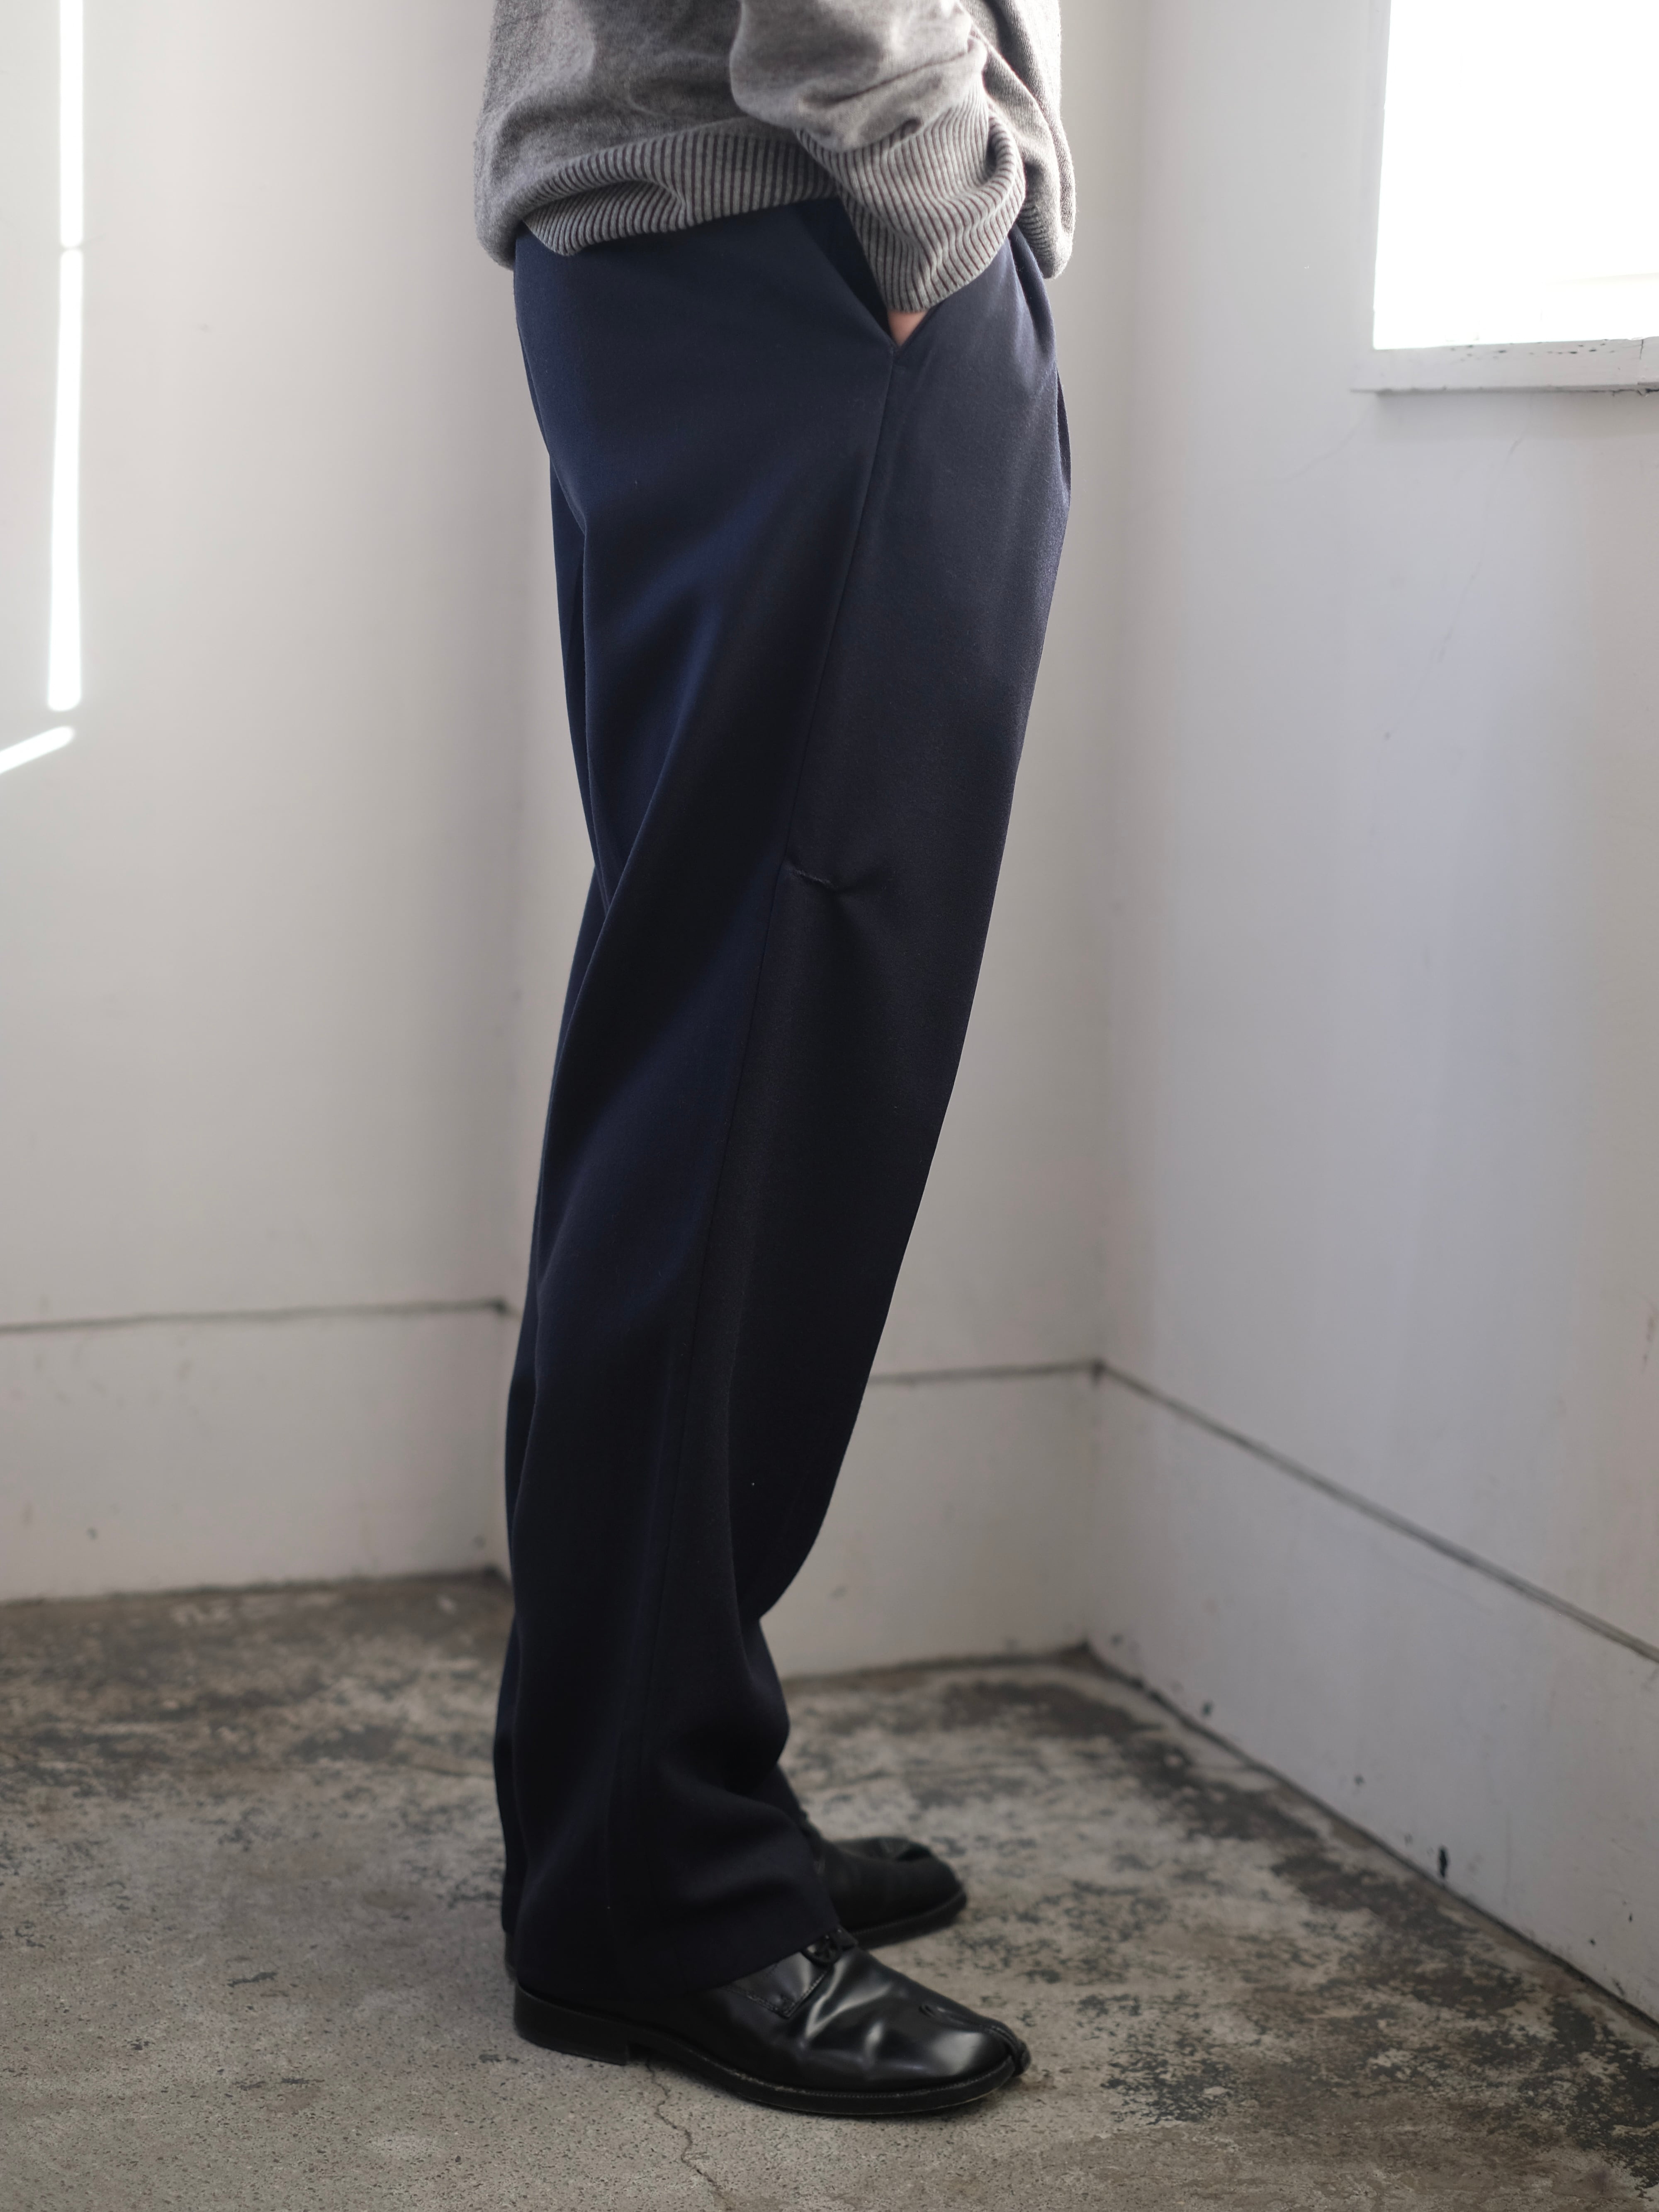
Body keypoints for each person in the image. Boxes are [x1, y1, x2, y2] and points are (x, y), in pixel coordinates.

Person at [474, 0, 1072, 2119]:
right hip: (803, 236)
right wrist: (928, 195)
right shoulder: (856, 214)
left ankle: (640, 1797)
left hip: (697, 241)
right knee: (758, 1074)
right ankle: (655, 1890)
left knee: (709, 1045)